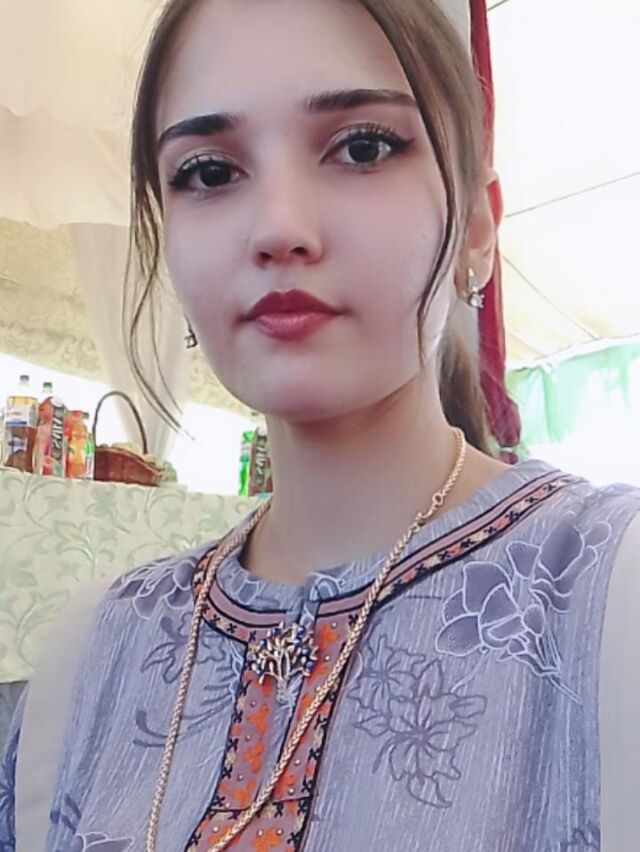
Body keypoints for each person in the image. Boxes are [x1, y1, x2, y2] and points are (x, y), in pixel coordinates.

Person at [1, 1, 639, 850]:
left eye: (363, 147)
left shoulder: (607, 591)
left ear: (477, 227)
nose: (278, 228)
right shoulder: (92, 659)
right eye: (208, 171)